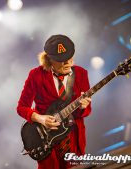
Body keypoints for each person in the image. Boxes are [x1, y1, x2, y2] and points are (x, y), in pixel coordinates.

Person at [17, 34, 92, 169]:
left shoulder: (81, 73)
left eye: (69, 57)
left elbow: (86, 111)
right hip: (46, 140)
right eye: (62, 59)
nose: (67, 62)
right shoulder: (36, 75)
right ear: (49, 59)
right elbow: (22, 107)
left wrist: (83, 107)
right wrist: (40, 118)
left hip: (73, 139)